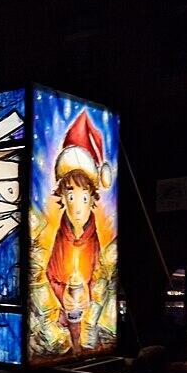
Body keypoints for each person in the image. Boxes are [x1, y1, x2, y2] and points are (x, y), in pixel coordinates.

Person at [46, 109, 114, 355]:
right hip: (64, 311)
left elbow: (102, 277)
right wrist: (62, 296)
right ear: (62, 197)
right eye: (71, 195)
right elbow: (49, 273)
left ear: (92, 198)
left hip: (90, 317)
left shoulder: (98, 238)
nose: (77, 208)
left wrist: (89, 294)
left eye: (84, 197)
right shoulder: (57, 235)